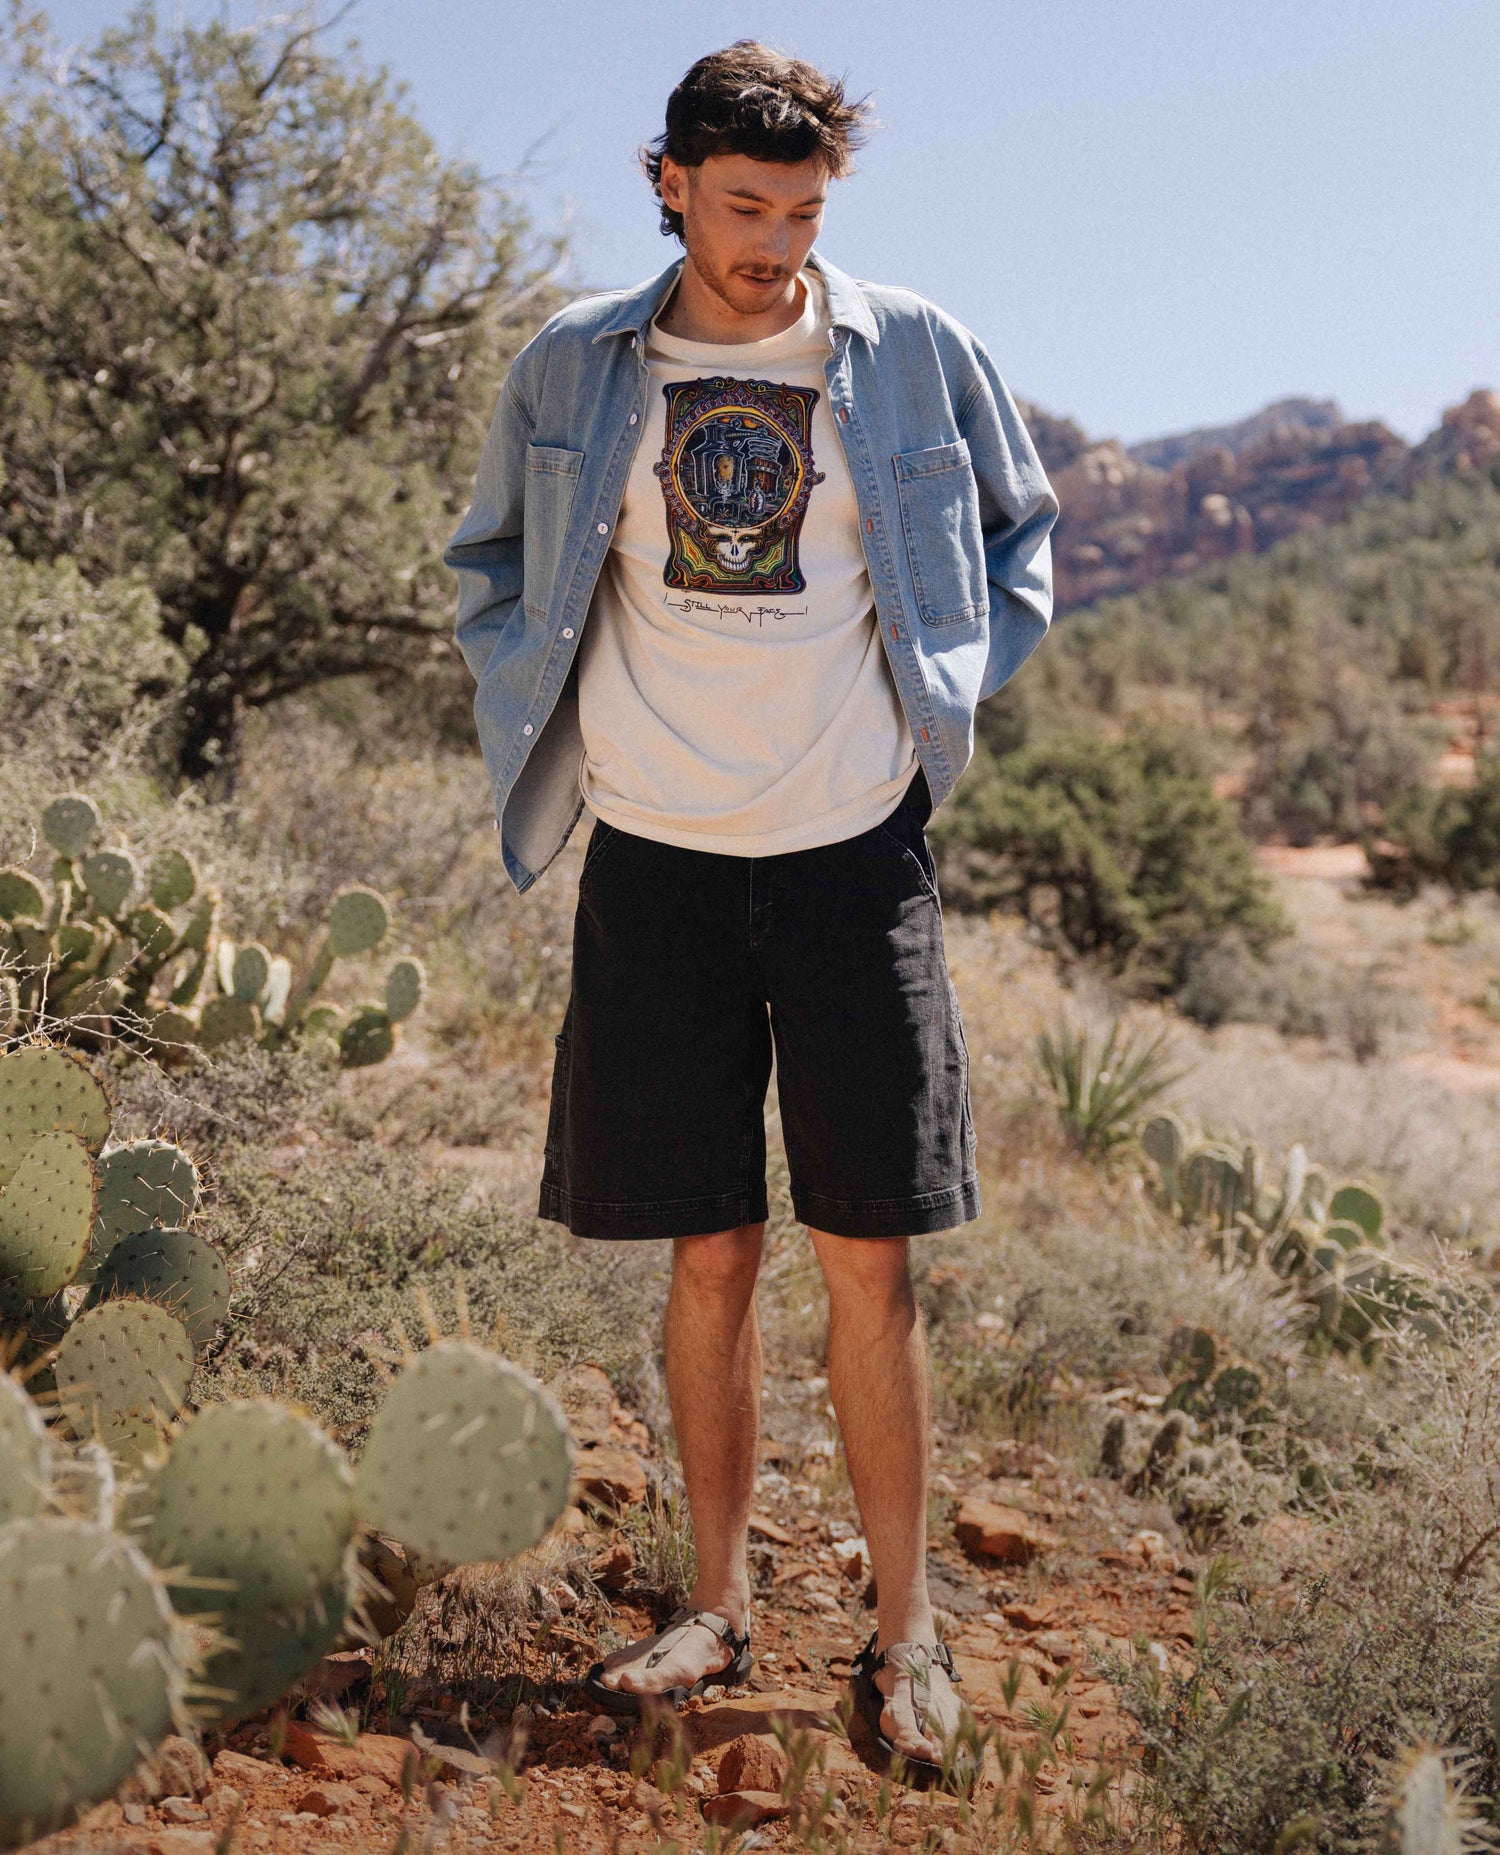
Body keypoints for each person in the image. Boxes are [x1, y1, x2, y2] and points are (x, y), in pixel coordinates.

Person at [444, 39, 1058, 1783]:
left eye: (800, 213)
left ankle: (906, 1634)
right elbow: (491, 562)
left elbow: (1022, 540)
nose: (773, 245)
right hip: (655, 859)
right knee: (706, 1248)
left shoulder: (913, 348)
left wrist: (941, 697)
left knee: (872, 1256)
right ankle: (712, 1601)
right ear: (670, 186)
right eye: (741, 209)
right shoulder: (579, 363)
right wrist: (554, 709)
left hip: (854, 852)